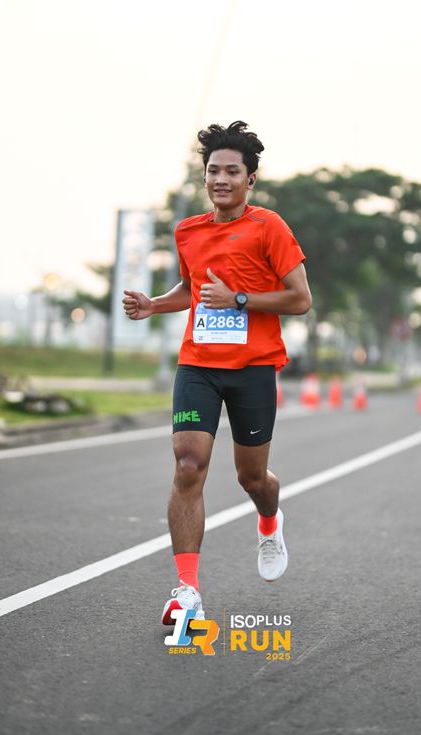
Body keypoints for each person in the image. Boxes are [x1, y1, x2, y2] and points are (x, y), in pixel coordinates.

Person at [123, 121, 312, 624]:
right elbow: (191, 289)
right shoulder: (188, 230)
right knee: (188, 465)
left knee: (252, 477)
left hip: (253, 367)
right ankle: (187, 591)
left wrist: (239, 299)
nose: (221, 179)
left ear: (251, 179)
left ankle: (269, 521)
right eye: (213, 171)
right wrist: (154, 304)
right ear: (203, 176)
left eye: (232, 171)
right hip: (198, 365)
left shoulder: (269, 227)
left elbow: (300, 299)